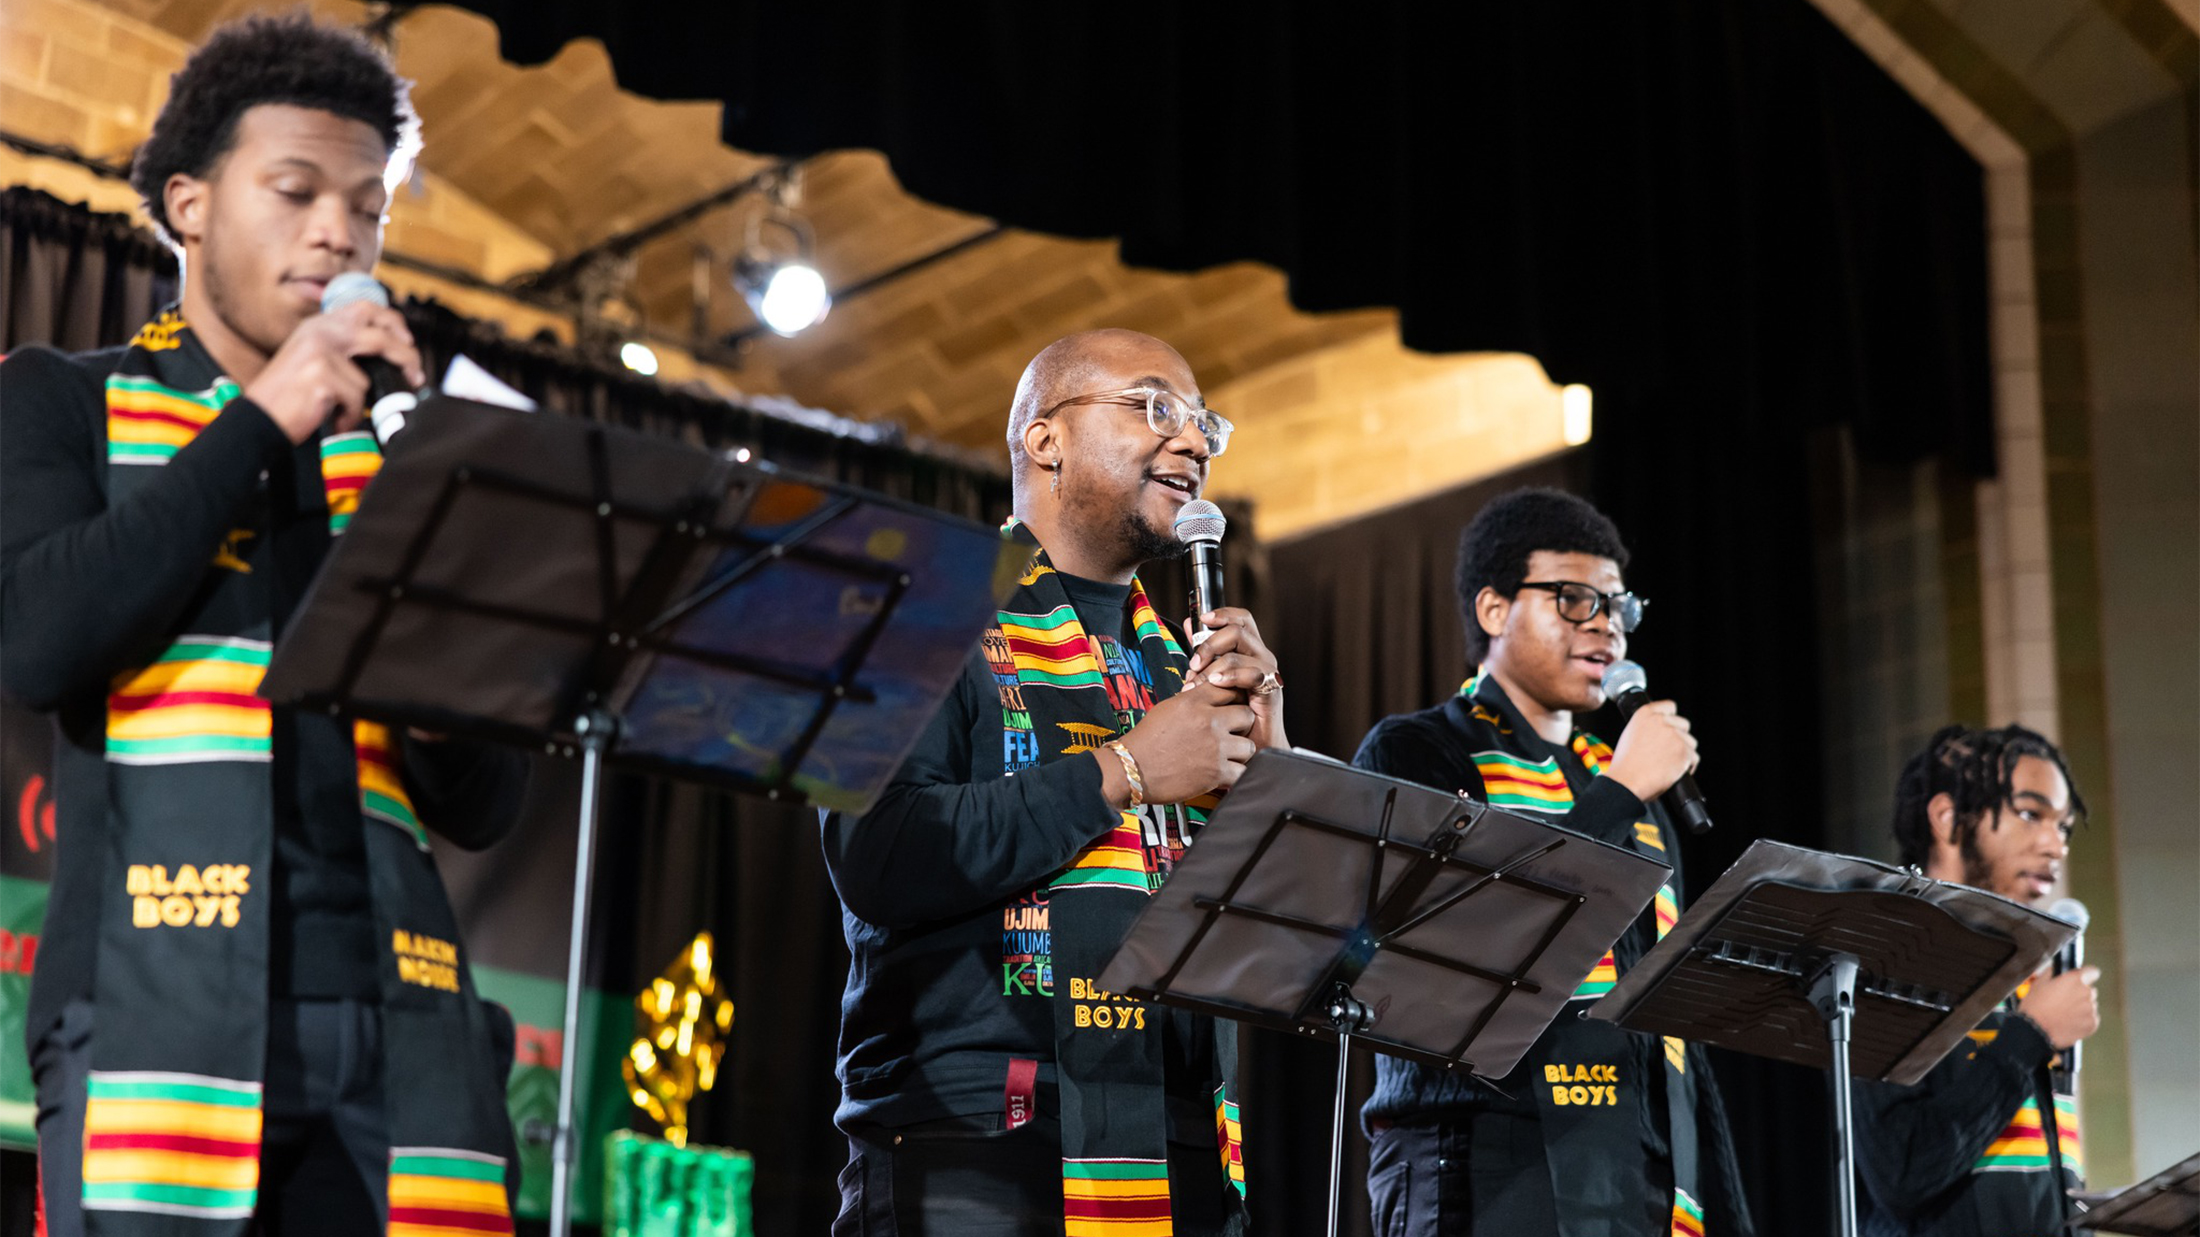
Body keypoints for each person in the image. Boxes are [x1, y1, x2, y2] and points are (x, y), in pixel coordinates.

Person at [0, 16, 526, 1235]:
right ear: (187, 205)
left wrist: (429, 531)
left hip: (400, 1019)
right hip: (152, 1005)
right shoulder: (60, 399)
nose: (339, 230)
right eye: (294, 191)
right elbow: (39, 643)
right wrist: (264, 416)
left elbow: (481, 801)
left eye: (368, 205)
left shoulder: (395, 455)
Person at [820, 328, 1284, 1236]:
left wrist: (1271, 767)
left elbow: (1274, 949)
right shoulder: (925, 601)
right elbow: (876, 856)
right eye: (1156, 408)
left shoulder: (1183, 664)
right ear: (1046, 439)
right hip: (980, 1144)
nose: (1191, 441)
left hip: (1179, 1148)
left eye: (1202, 424)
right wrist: (1129, 769)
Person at [1354, 488, 1753, 1236]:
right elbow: (1453, 957)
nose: (1605, 623)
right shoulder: (1418, 751)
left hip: (1637, 1177)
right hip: (1484, 1166)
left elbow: (1672, 1030)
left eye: (1617, 604)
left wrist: (1728, 1206)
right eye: (1574, 598)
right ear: (1494, 610)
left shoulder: (1629, 784)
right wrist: (1621, 792)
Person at [1854, 724, 2097, 1236]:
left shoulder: (2031, 975)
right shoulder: (1890, 958)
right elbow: (1902, 1172)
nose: (2056, 846)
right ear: (1947, 818)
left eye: (2065, 827)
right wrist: (2029, 1037)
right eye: (2032, 815)